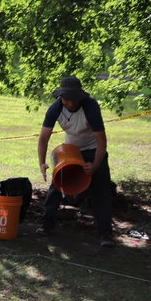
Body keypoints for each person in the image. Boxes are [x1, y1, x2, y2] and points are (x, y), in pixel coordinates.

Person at [36, 75, 114, 247]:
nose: (70, 103)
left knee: (101, 190)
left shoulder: (91, 106)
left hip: (94, 149)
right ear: (60, 97)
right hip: (71, 149)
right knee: (58, 185)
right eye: (66, 99)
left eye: (74, 99)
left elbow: (102, 140)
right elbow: (43, 139)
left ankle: (105, 234)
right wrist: (42, 163)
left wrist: (95, 164)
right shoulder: (55, 108)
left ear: (80, 96)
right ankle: (46, 224)